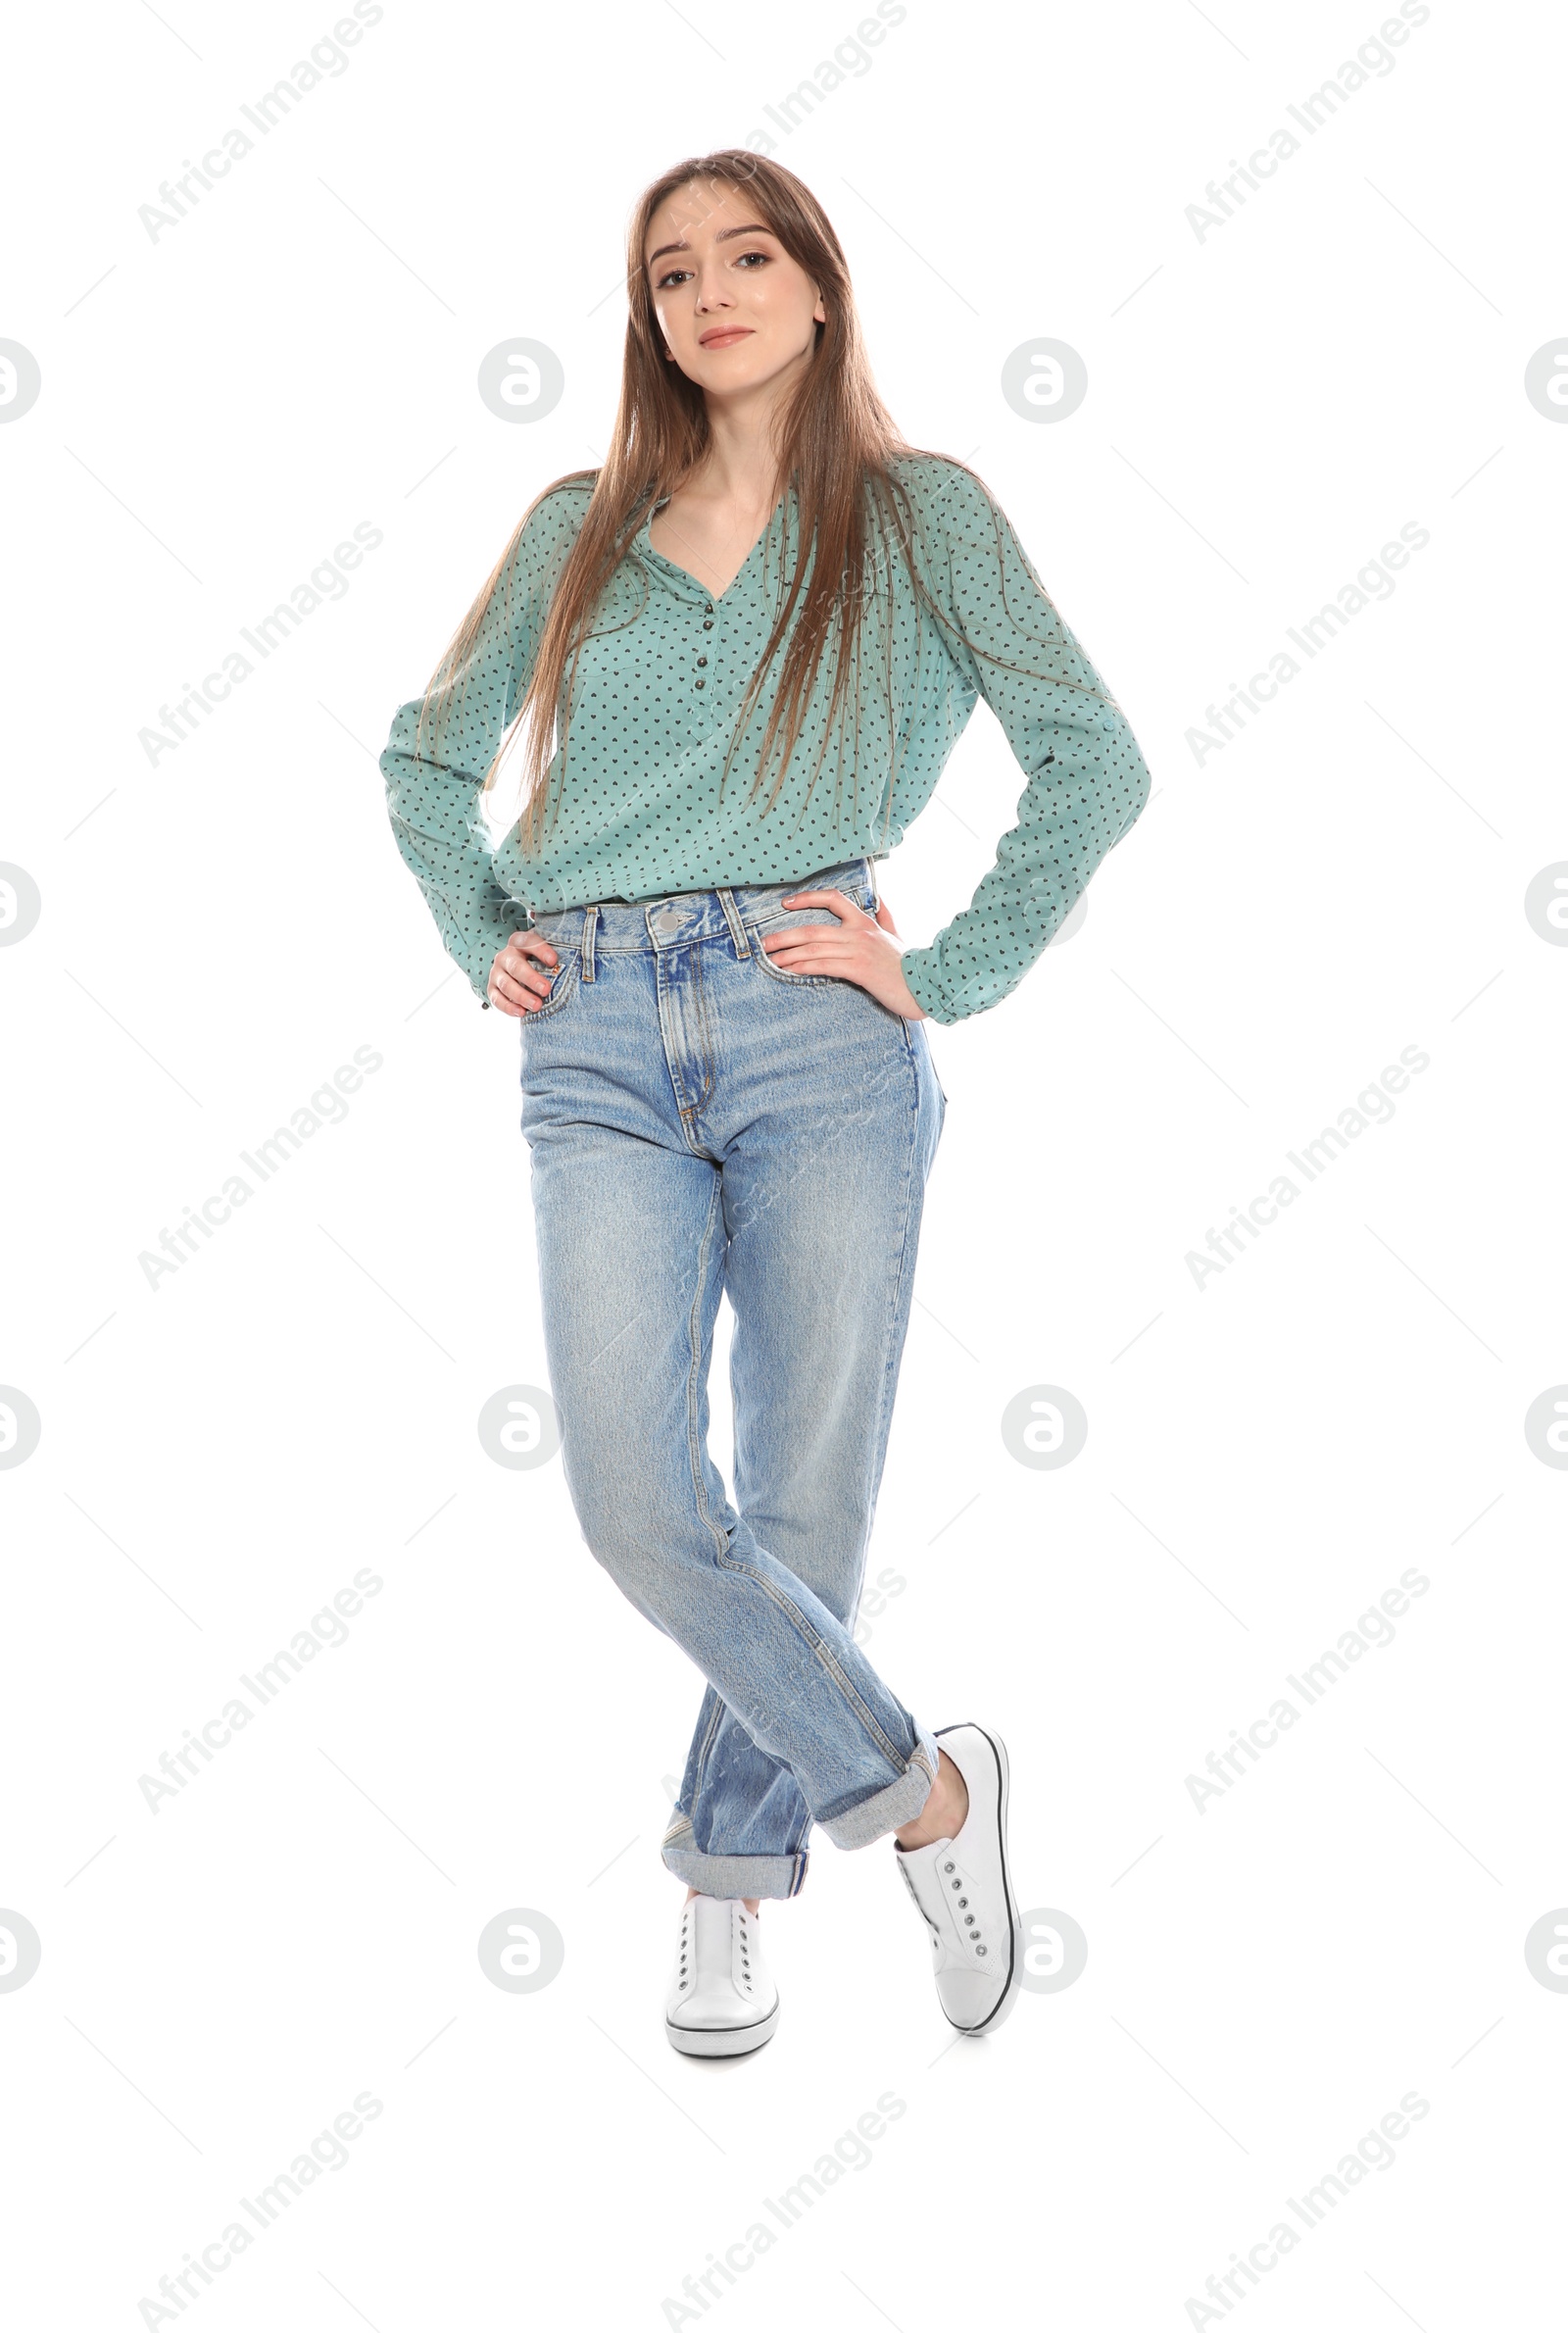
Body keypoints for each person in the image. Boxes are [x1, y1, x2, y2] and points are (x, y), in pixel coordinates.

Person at [379, 149, 1152, 2058]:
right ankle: (921, 1792)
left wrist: (942, 971)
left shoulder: (918, 518)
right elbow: (422, 761)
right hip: (600, 1041)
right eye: (667, 272)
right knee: (640, 1502)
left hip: (820, 1024)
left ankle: (727, 1880)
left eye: (744, 256)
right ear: (644, 318)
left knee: (800, 1495)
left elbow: (1090, 760)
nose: (706, 292)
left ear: (816, 285)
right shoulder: (581, 522)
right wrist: (487, 932)